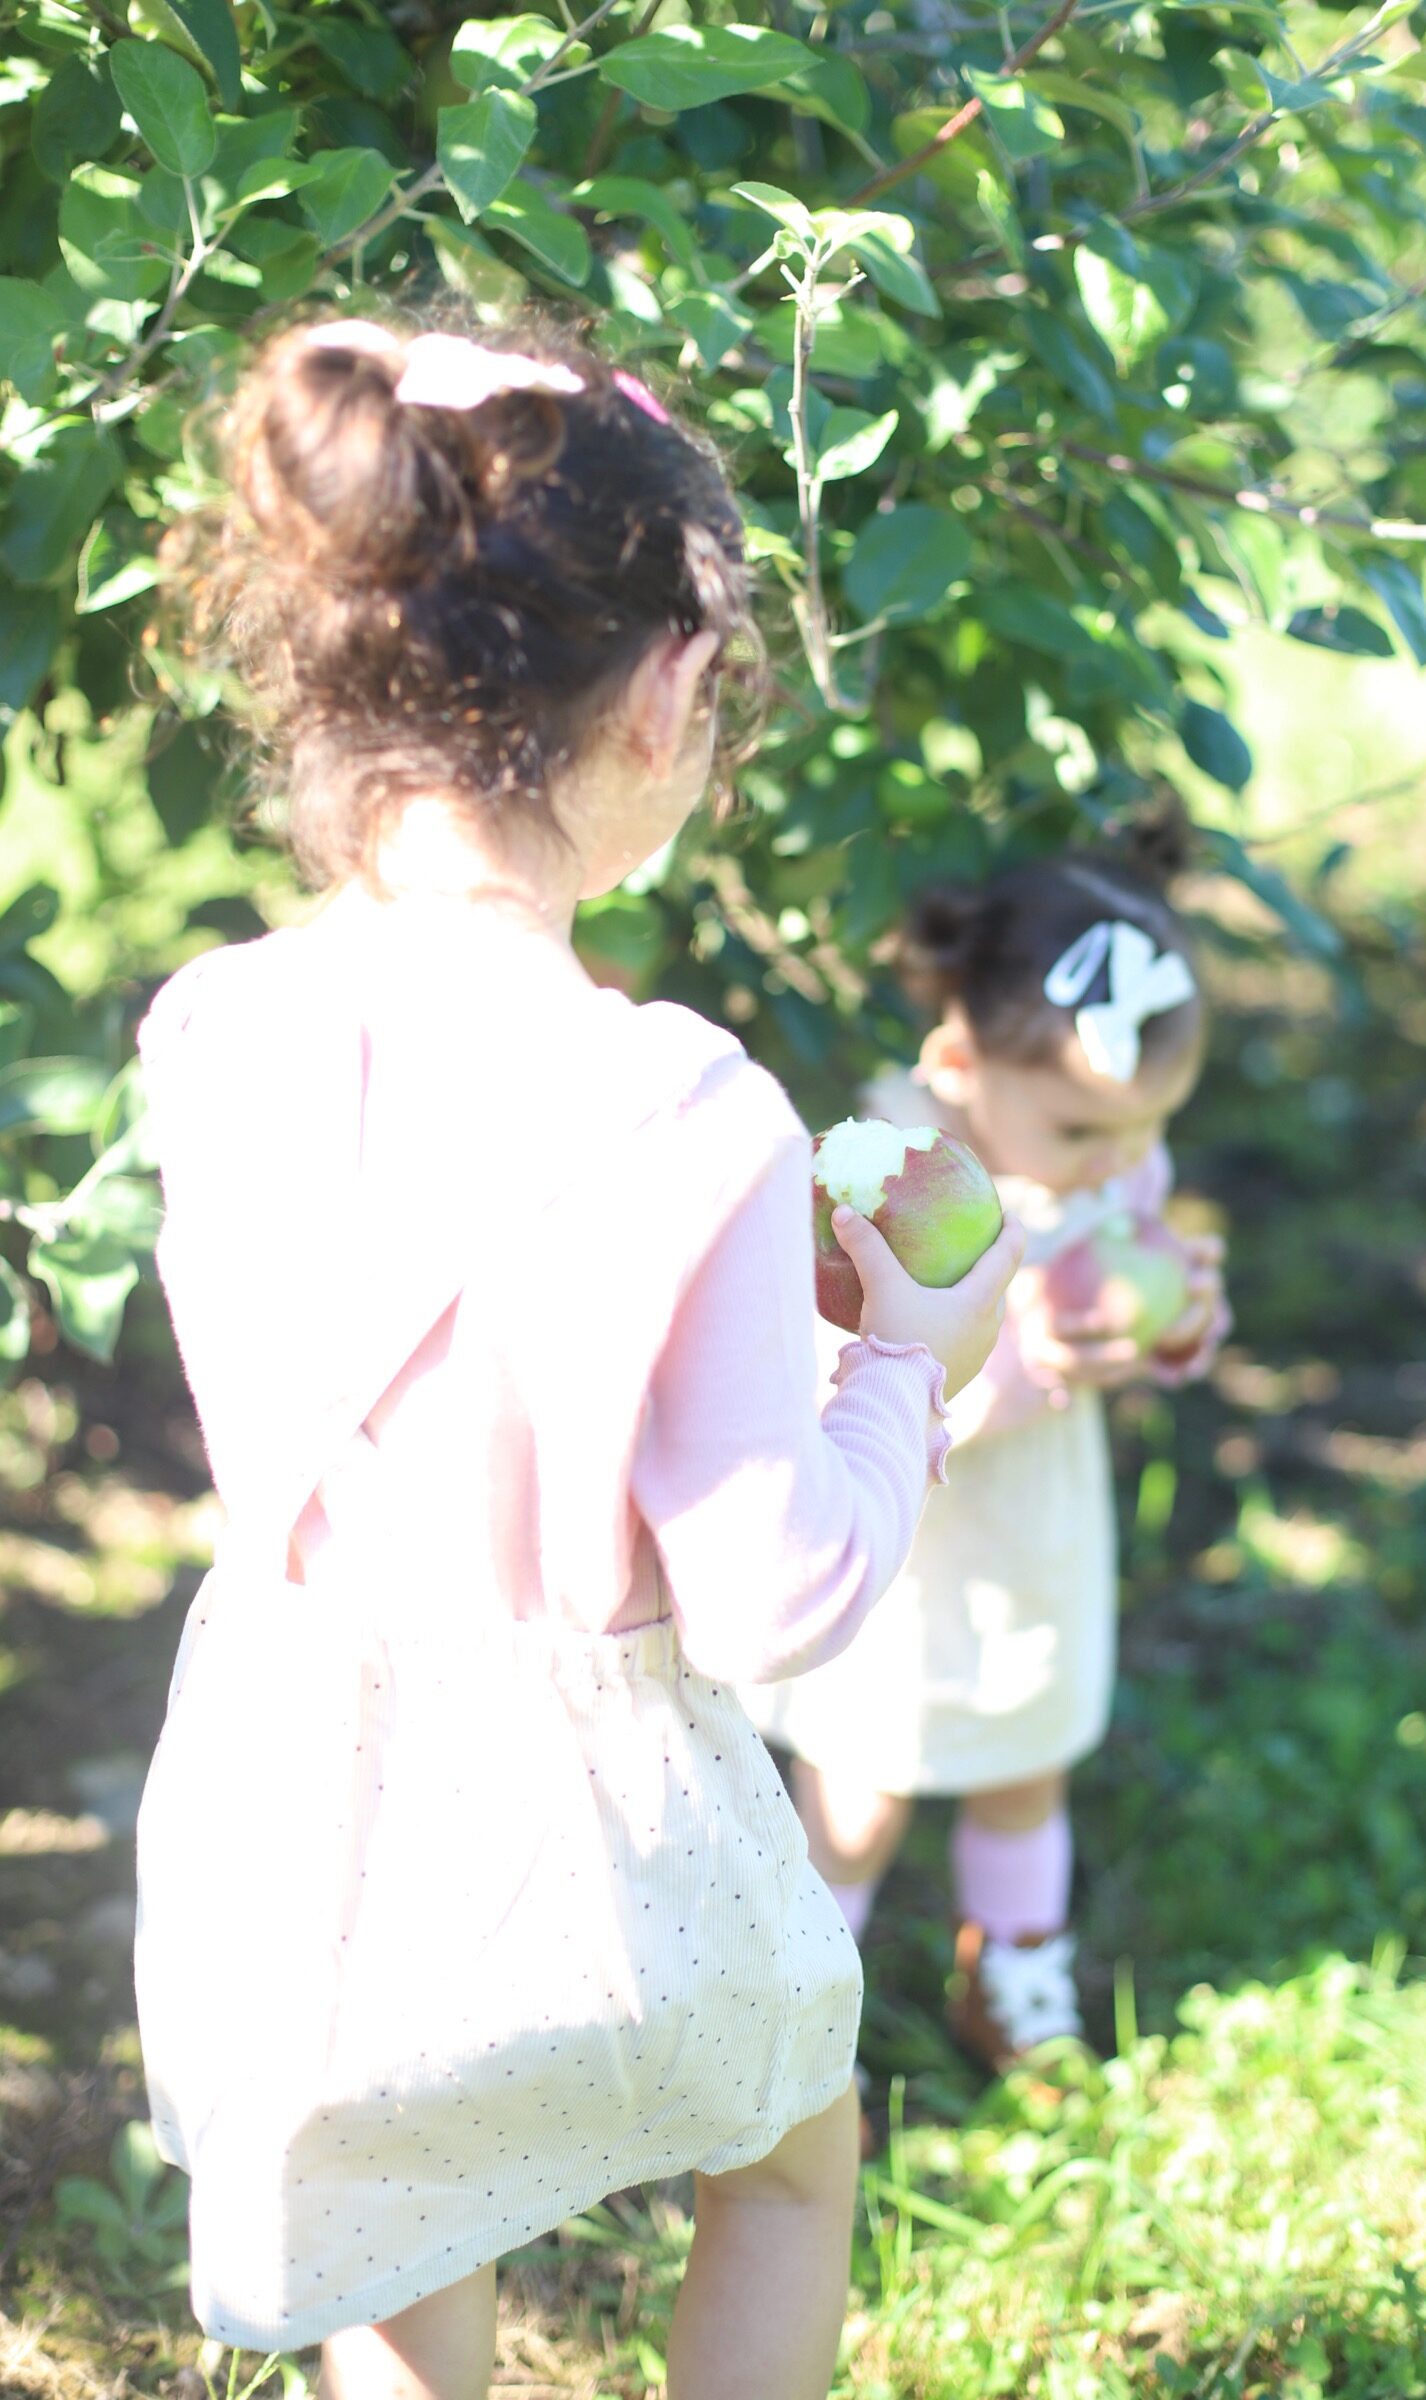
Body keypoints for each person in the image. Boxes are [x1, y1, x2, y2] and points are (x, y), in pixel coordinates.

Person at [131, 315, 1023, 2400]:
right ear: (670, 692)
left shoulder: (212, 1035)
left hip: (299, 1815)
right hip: (596, 1841)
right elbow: (772, 1596)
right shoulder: (681, 1107)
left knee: (397, 2236)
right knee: (790, 2164)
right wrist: (906, 1354)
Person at [745, 847, 1230, 2076]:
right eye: (1084, 1127)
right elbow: (846, 1373)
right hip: (904, 1546)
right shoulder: (880, 1180)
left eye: (1149, 1129)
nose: (1123, 1161)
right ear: (956, 1063)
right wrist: (1037, 1366)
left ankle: (1016, 1983)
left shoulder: (1110, 1164)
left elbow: (1134, 1271)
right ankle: (805, 2028)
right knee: (857, 1798)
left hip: (1030, 1542)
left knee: (1029, 1758)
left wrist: (1170, 1329)